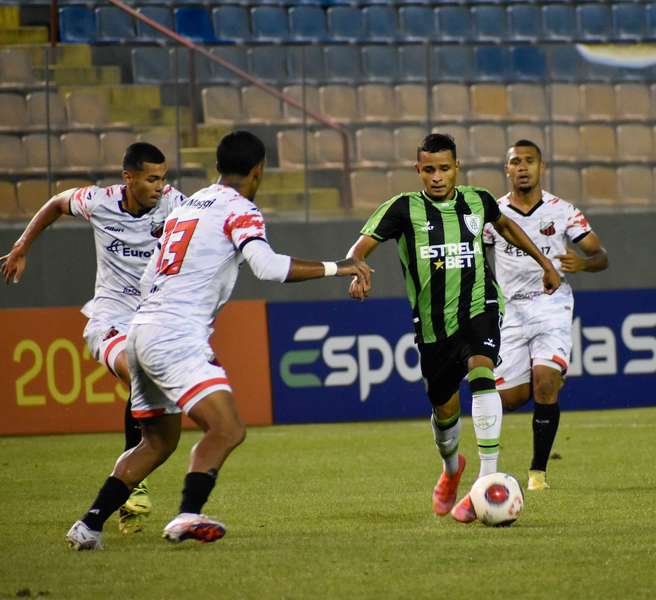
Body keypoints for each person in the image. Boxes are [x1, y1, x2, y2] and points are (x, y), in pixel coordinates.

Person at [64, 130, 371, 550]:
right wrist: (340, 267)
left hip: (140, 329)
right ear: (259, 170)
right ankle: (188, 514)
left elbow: (153, 270)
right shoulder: (239, 209)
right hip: (175, 335)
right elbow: (267, 267)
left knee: (157, 441)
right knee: (227, 428)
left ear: (218, 167)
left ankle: (89, 525)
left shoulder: (188, 205)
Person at [345, 133, 560, 523]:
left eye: (445, 168)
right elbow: (359, 248)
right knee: (445, 410)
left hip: (480, 307)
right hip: (433, 328)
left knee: (482, 371)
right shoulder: (402, 209)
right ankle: (451, 469)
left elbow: (507, 228)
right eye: (429, 170)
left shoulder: (478, 201)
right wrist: (357, 268)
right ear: (419, 171)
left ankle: (486, 479)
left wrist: (544, 264)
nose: (438, 177)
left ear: (456, 167)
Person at [1, 142, 185, 534]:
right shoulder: (98, 202)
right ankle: (137, 478)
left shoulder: (175, 204)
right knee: (140, 374)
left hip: (152, 320)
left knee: (149, 384)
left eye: (163, 178)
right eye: (152, 178)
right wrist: (21, 246)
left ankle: (130, 477)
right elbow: (55, 203)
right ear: (128, 178)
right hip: (110, 320)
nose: (159, 186)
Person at [483, 140, 608, 492]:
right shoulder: (492, 214)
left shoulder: (562, 210)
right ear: (506, 170)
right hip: (511, 311)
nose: (522, 167)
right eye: (515, 162)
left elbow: (601, 256)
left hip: (551, 304)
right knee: (511, 398)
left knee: (544, 382)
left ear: (541, 167)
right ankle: (544, 382)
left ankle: (538, 474)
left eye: (529, 161)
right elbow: (478, 257)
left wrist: (583, 263)